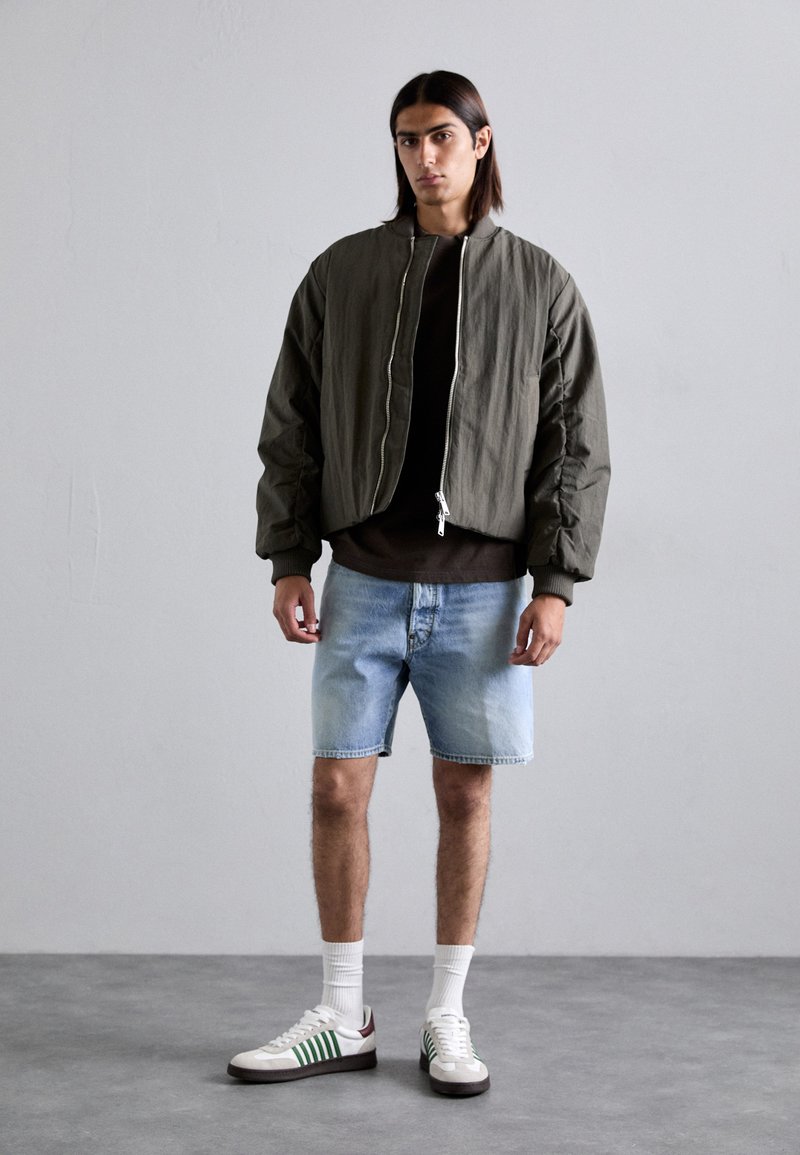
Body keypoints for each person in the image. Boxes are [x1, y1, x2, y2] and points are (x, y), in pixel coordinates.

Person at [228, 70, 610, 1097]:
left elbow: (574, 446)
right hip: (360, 578)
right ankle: (341, 1014)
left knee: (464, 793)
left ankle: (445, 1014)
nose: (423, 158)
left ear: (481, 142)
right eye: (406, 140)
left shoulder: (539, 283)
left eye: (441, 136)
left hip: (482, 590)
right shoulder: (342, 272)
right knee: (335, 787)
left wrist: (555, 582)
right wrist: (287, 558)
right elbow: (290, 421)